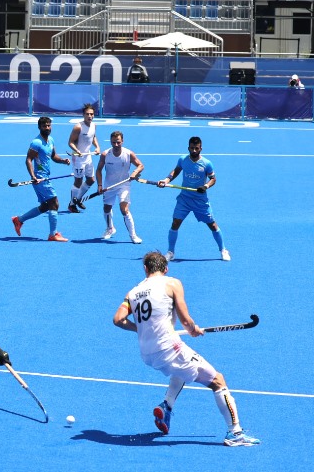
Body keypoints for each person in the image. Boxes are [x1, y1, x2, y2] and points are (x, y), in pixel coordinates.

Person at [112, 251, 260, 447]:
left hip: (147, 354)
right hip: (169, 348)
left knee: (180, 369)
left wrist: (140, 328)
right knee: (218, 381)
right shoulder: (172, 283)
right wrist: (193, 329)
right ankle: (235, 433)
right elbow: (185, 321)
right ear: (166, 269)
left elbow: (118, 319)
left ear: (145, 269)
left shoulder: (132, 293)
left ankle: (167, 406)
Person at [158, 136, 230, 261]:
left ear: (201, 148)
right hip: (184, 199)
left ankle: (223, 250)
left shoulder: (207, 163)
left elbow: (213, 179)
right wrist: (166, 180)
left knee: (212, 225)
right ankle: (170, 252)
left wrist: (206, 186)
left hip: (200, 200)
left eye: (197, 148)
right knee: (175, 223)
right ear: (188, 148)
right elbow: (176, 171)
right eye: (192, 148)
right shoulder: (183, 160)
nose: (194, 150)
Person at [11, 116, 72, 241]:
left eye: (49, 125)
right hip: (40, 178)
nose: (47, 128)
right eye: (44, 126)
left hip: (45, 178)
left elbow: (53, 156)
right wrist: (33, 176)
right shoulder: (36, 142)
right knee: (54, 203)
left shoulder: (51, 140)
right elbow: (28, 159)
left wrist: (63, 161)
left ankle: (19, 220)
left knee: (45, 206)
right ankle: (53, 235)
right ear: (39, 127)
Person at [94, 131, 145, 243]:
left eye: (118, 142)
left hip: (124, 185)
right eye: (113, 142)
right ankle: (110, 228)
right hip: (109, 186)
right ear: (110, 142)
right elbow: (98, 170)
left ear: (122, 141)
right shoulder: (105, 154)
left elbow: (141, 165)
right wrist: (100, 185)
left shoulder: (128, 154)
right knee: (106, 208)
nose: (116, 145)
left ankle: (133, 235)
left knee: (124, 209)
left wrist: (135, 172)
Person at [67, 103, 101, 213]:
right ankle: (72, 205)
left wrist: (97, 147)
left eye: (92, 114)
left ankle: (78, 199)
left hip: (88, 157)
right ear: (83, 115)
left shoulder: (94, 125)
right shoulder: (78, 127)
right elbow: (70, 142)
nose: (90, 116)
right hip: (78, 158)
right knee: (78, 181)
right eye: (87, 114)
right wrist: (77, 151)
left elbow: (93, 137)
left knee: (91, 180)